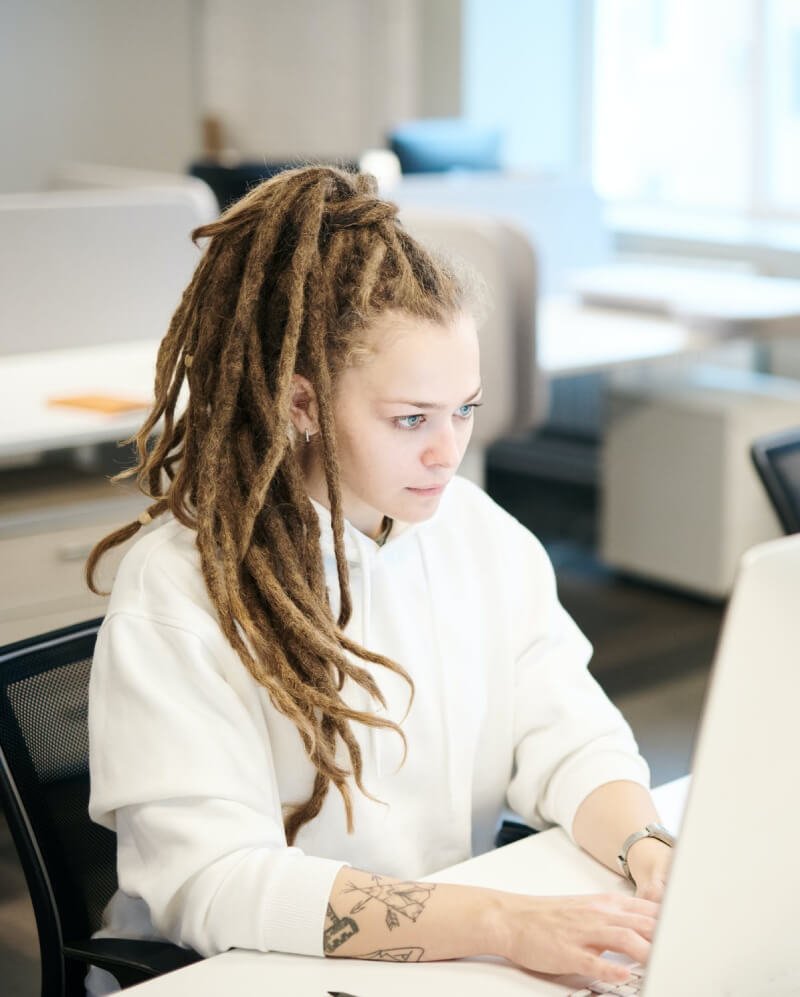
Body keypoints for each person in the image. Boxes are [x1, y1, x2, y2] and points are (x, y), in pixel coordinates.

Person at [85, 166, 672, 995]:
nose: (448, 449)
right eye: (411, 419)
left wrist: (649, 850)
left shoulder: (477, 533)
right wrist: (500, 922)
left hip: (429, 961)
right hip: (233, 972)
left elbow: (570, 734)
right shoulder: (183, 588)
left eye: (464, 408)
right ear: (302, 404)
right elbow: (214, 882)